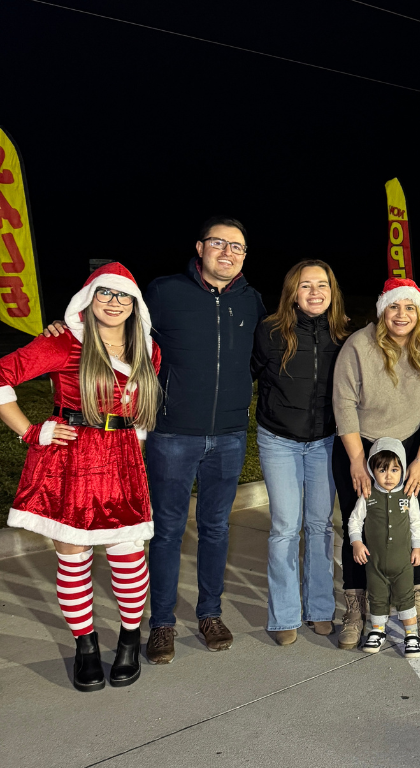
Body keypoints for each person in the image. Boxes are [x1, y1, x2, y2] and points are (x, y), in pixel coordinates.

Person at [0, 263, 161, 691]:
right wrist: (33, 431)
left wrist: (136, 458)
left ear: (134, 304)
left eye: (122, 295)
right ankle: (85, 645)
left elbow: (141, 416)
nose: (113, 302)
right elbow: (2, 375)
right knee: (73, 560)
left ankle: (129, 640)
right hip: (69, 462)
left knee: (128, 559)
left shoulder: (149, 350)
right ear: (88, 300)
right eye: (105, 294)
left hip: (122, 463)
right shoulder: (64, 344)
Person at [144, 217, 266, 663]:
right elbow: (120, 334)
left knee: (215, 528)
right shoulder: (164, 292)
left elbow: (257, 358)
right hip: (173, 433)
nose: (228, 252)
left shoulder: (251, 301)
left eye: (237, 247)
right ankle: (161, 623)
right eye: (219, 243)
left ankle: (210, 613)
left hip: (230, 435)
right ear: (200, 247)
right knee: (168, 530)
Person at [332, 277, 420, 649]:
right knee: (358, 525)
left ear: (419, 311)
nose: (402, 314)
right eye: (395, 306)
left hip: (409, 448)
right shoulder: (359, 345)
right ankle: (356, 608)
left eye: (410, 307)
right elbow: (344, 401)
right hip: (361, 445)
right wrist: (355, 460)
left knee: (409, 526)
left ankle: (416, 603)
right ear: (383, 309)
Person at [251, 260, 348, 646]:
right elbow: (248, 374)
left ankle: (321, 609)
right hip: (279, 440)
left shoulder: (343, 335)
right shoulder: (269, 331)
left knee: (321, 526)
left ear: (332, 290)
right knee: (285, 528)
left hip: (325, 442)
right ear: (293, 291)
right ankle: (284, 614)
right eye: (305, 285)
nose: (314, 292)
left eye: (322, 285)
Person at [349, 439, 420, 658]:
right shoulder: (368, 496)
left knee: (405, 596)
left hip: (403, 562)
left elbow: (417, 523)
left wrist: (417, 548)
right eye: (382, 470)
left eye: (394, 469)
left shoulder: (408, 496)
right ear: (372, 472)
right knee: (377, 596)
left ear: (402, 468)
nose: (389, 476)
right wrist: (357, 542)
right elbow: (355, 521)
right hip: (375, 563)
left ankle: (411, 634)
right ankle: (377, 631)